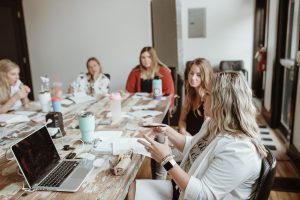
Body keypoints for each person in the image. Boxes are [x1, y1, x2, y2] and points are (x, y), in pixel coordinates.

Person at [128, 71, 267, 200]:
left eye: (207, 94)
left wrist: (166, 160)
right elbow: (194, 146)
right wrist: (167, 131)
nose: (202, 97)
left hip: (195, 195)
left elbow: (204, 195)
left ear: (221, 101)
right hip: (183, 190)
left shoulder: (240, 150)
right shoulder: (213, 124)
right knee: (131, 189)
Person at [178, 58, 213, 136]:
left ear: (205, 77)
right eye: (191, 73)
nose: (193, 78)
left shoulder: (208, 98)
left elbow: (206, 131)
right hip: (186, 138)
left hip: (200, 142)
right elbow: (182, 120)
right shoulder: (190, 95)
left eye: (198, 75)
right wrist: (184, 132)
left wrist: (192, 140)